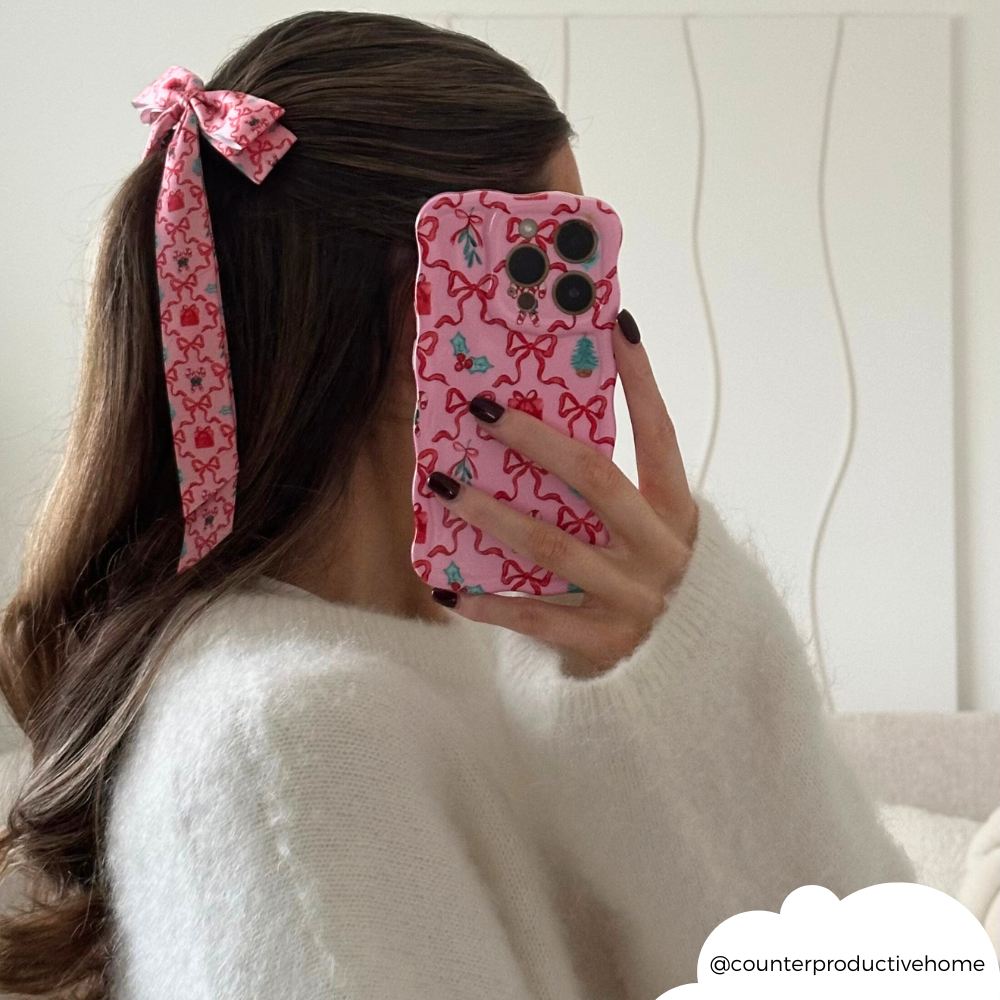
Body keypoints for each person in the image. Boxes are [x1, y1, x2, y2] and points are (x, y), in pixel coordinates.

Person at [0, 11, 913, 999]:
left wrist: (691, 685)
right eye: (561, 262)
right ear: (423, 312)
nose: (593, 317)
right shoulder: (291, 743)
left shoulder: (487, 668)